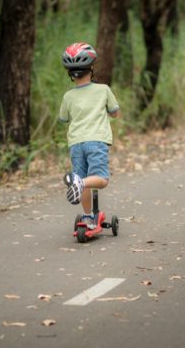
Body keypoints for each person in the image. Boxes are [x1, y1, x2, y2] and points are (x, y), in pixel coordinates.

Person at [58, 42, 120, 229]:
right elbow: (115, 112)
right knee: (101, 179)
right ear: (91, 68)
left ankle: (87, 218)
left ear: (70, 73)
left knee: (81, 179)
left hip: (76, 144)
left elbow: (63, 118)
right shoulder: (104, 90)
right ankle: (79, 182)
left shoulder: (68, 96)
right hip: (97, 141)